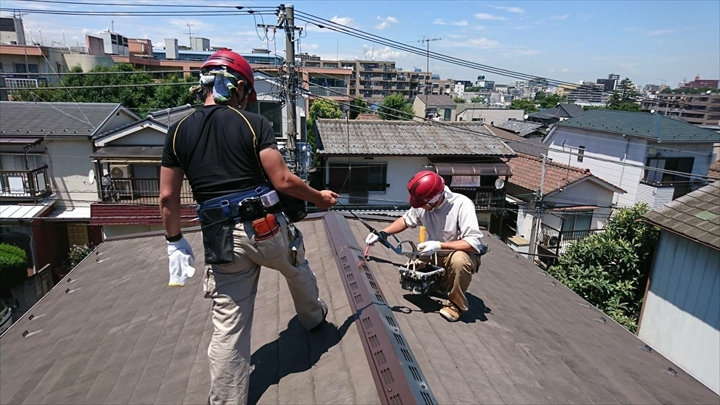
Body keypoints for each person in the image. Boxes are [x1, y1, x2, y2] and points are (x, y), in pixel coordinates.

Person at [158, 48, 338, 405]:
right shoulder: (253, 124)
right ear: (238, 87)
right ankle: (315, 319)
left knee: (229, 325)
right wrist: (318, 198)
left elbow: (166, 197)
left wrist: (174, 240)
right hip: (264, 227)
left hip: (220, 239)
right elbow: (284, 180)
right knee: (295, 267)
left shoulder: (176, 132)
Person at [365, 170, 487, 322]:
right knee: (408, 276)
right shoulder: (424, 204)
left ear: (434, 198)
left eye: (422, 204)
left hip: (458, 253)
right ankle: (441, 284)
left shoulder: (462, 204)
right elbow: (405, 220)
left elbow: (473, 242)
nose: (420, 207)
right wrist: (382, 233)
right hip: (434, 254)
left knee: (459, 261)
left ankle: (456, 305)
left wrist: (439, 245)